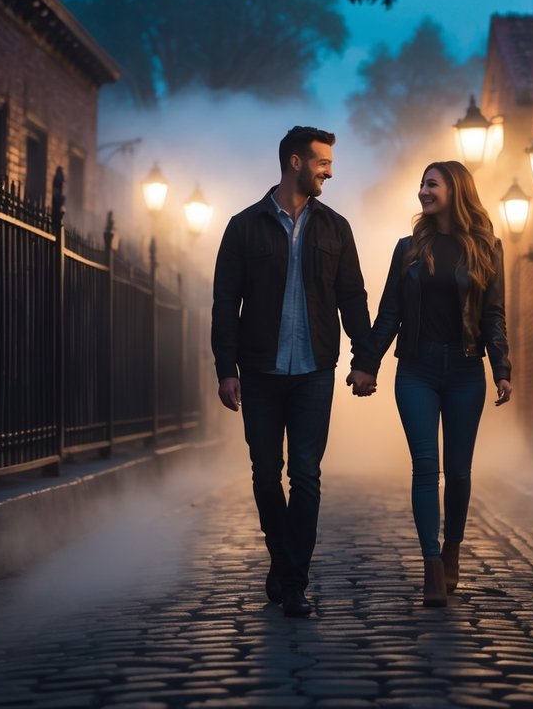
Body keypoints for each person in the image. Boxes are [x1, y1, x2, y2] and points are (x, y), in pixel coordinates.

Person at [212, 126, 377, 618]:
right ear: (295, 162)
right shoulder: (244, 227)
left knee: (305, 474)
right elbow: (225, 304)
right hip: (259, 371)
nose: (330, 171)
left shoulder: (336, 228)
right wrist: (226, 369)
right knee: (266, 474)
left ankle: (293, 582)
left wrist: (364, 361)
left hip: (314, 371)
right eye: (323, 162)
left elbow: (353, 298)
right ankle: (283, 561)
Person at [350, 160, 512, 607]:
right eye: (421, 184)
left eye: (432, 184)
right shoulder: (408, 249)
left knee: (458, 472)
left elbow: (493, 314)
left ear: (455, 190)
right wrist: (366, 364)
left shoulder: (487, 247)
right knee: (426, 466)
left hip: (465, 371)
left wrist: (501, 368)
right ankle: (431, 567)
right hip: (416, 370)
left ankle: (452, 550)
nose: (423, 191)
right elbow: (389, 313)